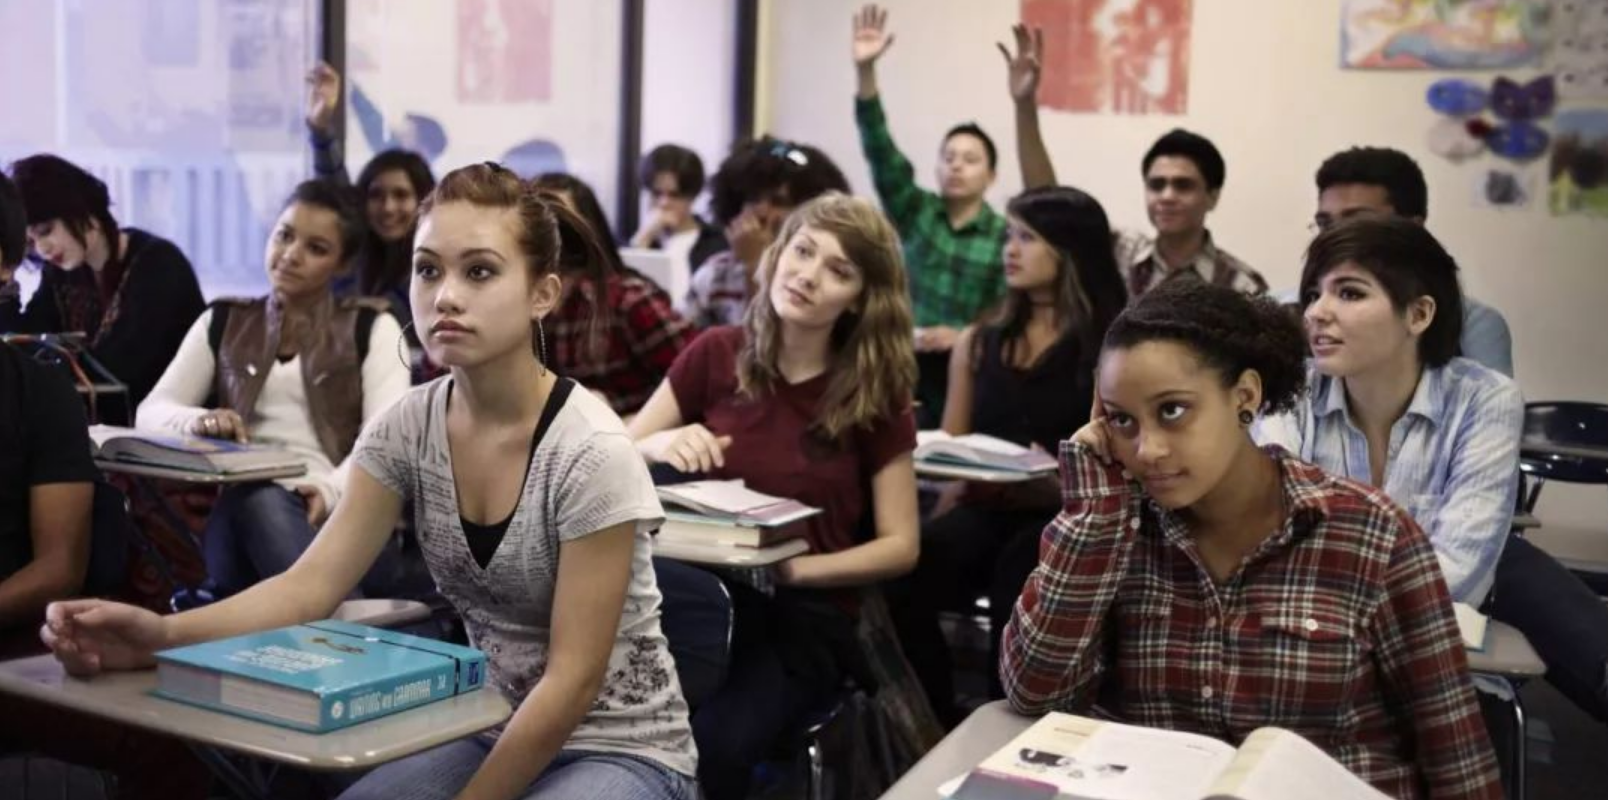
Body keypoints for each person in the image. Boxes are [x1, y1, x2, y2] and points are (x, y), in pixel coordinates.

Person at [40, 163, 699, 800]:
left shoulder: (590, 448)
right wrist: (159, 636)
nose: (445, 295)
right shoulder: (408, 427)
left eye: (479, 272)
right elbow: (309, 585)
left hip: (626, 747)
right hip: (490, 723)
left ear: (542, 294)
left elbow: (574, 680)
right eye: (427, 269)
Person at [1003, 278, 1502, 799]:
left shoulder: (1370, 534)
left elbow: (1457, 757)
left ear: (1245, 396)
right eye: (1122, 420)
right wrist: (1097, 515)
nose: (1146, 449)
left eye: (1173, 410)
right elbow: (1033, 691)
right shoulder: (1118, 531)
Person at [1256, 216, 1608, 725]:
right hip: (1324, 635)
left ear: (1418, 314)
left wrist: (1336, 589)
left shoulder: (1484, 397)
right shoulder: (1292, 392)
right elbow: (1275, 533)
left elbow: (1460, 566)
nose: (1317, 313)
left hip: (1432, 612)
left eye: (1349, 294)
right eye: (1314, 294)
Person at [629, 193, 920, 800]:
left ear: (862, 298)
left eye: (838, 271)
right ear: (778, 252)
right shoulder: (715, 352)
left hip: (802, 616)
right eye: (803, 251)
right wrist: (660, 445)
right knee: (627, 721)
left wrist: (796, 570)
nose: (808, 276)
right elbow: (614, 456)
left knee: (718, 740)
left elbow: (900, 546)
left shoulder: (874, 388)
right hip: (694, 599)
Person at [0, 165, 212, 800]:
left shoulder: (37, 390)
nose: (48, 249)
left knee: (178, 743)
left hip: (13, 639)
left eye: (46, 232)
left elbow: (58, 567)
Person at [890, 185, 1127, 724]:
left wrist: (1058, 484)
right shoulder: (979, 341)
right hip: (985, 503)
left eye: (1026, 237)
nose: (1009, 250)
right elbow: (949, 445)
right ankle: (938, 719)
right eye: (1008, 237)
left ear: (1068, 250)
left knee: (1021, 575)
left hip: (1064, 514)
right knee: (907, 571)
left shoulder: (1111, 345)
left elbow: (1123, 458)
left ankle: (1016, 729)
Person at [136, 180, 411, 598]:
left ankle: (329, 628)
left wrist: (328, 491)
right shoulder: (224, 320)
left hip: (340, 519)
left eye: (316, 248)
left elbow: (385, 442)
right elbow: (150, 412)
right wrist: (199, 420)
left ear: (342, 265)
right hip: (240, 515)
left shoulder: (373, 327)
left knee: (265, 505)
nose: (290, 255)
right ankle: (345, 638)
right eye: (284, 235)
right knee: (256, 498)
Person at [1003, 26, 1265, 300]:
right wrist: (1024, 107)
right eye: (1156, 185)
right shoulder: (1119, 253)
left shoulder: (1240, 286)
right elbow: (1048, 210)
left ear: (1212, 197)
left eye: (1183, 186)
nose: (1167, 196)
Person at [851, 4, 1007, 352]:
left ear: (991, 176)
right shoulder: (915, 210)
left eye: (970, 160)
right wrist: (866, 71)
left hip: (966, 368)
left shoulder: (1003, 236)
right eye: (948, 157)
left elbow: (1007, 310)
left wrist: (966, 335)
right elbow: (879, 149)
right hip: (898, 355)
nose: (956, 166)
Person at [0, 154, 205, 413]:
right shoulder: (62, 271)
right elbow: (23, 347)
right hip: (104, 430)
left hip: (163, 432)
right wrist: (5, 282)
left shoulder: (159, 265)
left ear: (79, 209)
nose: (42, 249)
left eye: (46, 231)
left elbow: (120, 367)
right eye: (30, 242)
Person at [1305, 146, 1513, 377]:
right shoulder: (1287, 310)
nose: (1335, 237)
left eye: (1358, 222)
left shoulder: (1474, 325)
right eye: (1325, 224)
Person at [532, 173, 698, 416]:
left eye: (560, 220)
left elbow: (700, 376)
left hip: (633, 439)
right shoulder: (515, 308)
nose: (547, 229)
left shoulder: (628, 300)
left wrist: (636, 429)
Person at [306, 60, 438, 343]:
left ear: (423, 200)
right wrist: (320, 128)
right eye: (376, 195)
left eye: (401, 195)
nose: (388, 207)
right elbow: (334, 190)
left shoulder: (436, 262)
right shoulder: (357, 251)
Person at [682, 137, 850, 328]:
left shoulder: (820, 276)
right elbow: (686, 346)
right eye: (752, 199)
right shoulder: (715, 273)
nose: (761, 211)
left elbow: (775, 346)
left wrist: (755, 265)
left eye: (778, 201)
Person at [629, 144, 728, 277]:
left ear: (692, 196)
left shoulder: (718, 244)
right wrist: (643, 239)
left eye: (674, 195)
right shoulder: (636, 238)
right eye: (656, 193)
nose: (664, 203)